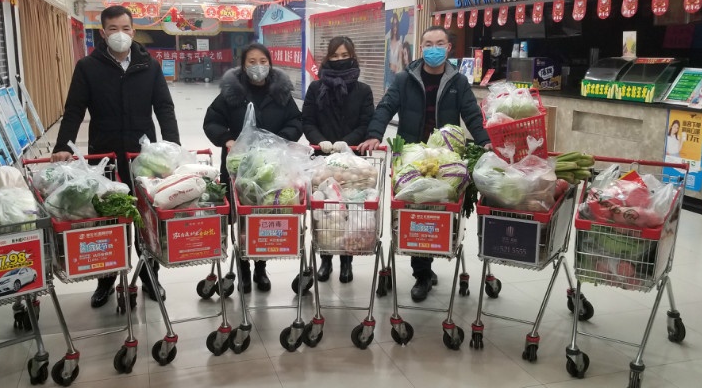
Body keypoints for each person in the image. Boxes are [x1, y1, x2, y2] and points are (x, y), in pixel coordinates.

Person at [51, 6, 180, 308]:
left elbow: (164, 107)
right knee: (107, 217)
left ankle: (150, 276)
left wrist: (173, 145)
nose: (120, 34)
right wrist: (62, 146)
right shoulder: (88, 67)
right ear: (103, 32)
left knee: (146, 215)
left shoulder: (150, 65)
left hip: (143, 155)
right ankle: (106, 278)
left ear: (133, 31)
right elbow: (74, 109)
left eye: (125, 28)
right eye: (113, 28)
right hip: (104, 154)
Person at [358, 25, 491, 302]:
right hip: (412, 158)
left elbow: (471, 114)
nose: (434, 48)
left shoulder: (458, 82)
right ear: (420, 47)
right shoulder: (405, 79)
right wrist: (374, 134)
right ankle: (422, 273)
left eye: (439, 43)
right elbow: (386, 107)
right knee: (415, 210)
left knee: (439, 211)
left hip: (444, 159)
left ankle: (428, 261)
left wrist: (485, 141)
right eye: (428, 43)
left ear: (448, 48)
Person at [203, 42, 303, 293]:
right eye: (252, 62)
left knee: (264, 216)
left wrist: (279, 142)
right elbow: (212, 121)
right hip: (238, 167)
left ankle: (260, 268)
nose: (258, 66)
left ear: (270, 63)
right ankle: (243, 270)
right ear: (243, 65)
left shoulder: (281, 93)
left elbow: (295, 121)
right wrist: (227, 140)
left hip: (270, 168)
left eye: (263, 61)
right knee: (240, 218)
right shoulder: (231, 93)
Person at [302, 36, 374, 284]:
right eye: (335, 55)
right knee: (325, 213)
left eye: (345, 55)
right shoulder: (316, 88)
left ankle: (346, 260)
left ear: (353, 57)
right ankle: (325, 258)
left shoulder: (363, 90)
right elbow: (307, 121)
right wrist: (320, 141)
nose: (340, 59)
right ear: (327, 58)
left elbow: (366, 123)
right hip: (322, 161)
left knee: (349, 212)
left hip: (352, 163)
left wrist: (346, 144)